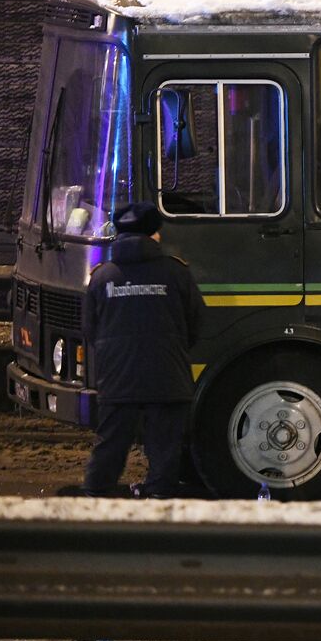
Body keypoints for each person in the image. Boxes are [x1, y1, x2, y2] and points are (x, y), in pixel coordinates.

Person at [81, 201, 205, 498]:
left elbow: (89, 329)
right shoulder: (176, 273)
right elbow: (196, 322)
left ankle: (96, 496)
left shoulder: (102, 276)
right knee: (164, 445)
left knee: (111, 442)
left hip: (117, 376)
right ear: (155, 235)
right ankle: (159, 498)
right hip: (167, 372)